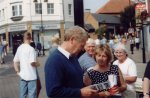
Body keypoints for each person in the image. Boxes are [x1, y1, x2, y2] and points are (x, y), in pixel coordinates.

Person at [44, 26, 99, 98]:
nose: (83, 49)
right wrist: (80, 92)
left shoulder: (73, 57)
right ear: (72, 40)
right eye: (82, 45)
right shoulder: (54, 60)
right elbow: (53, 92)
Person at [13, 32, 38, 98]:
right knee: (32, 95)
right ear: (30, 39)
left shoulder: (19, 48)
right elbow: (32, 63)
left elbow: (15, 61)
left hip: (23, 76)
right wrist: (38, 64)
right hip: (31, 76)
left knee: (22, 95)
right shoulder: (31, 49)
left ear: (23, 38)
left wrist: (17, 71)